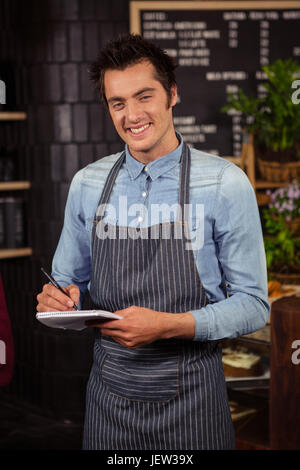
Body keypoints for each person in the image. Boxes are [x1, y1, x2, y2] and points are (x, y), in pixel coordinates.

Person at [36, 34, 270, 450]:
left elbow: (253, 305)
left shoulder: (223, 183)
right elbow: (66, 286)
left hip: (194, 402)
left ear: (172, 94)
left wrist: (169, 325)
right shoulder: (88, 184)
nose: (132, 115)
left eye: (144, 96)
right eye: (118, 103)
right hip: (109, 403)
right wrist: (60, 302)